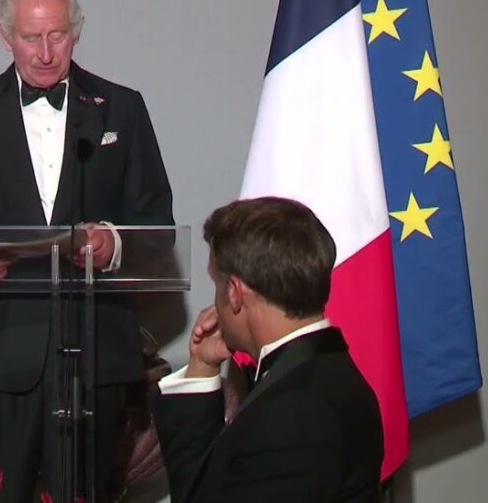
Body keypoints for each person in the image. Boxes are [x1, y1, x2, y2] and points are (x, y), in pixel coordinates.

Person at [0, 0, 174, 499]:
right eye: (30, 38)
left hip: (95, 358)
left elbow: (156, 223)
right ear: (4, 36)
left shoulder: (122, 108)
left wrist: (115, 244)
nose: (44, 53)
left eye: (56, 36)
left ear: (75, 31)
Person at [151, 197, 383, 503]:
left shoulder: (294, 412)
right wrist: (202, 369)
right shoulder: (325, 371)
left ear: (234, 293)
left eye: (217, 286)